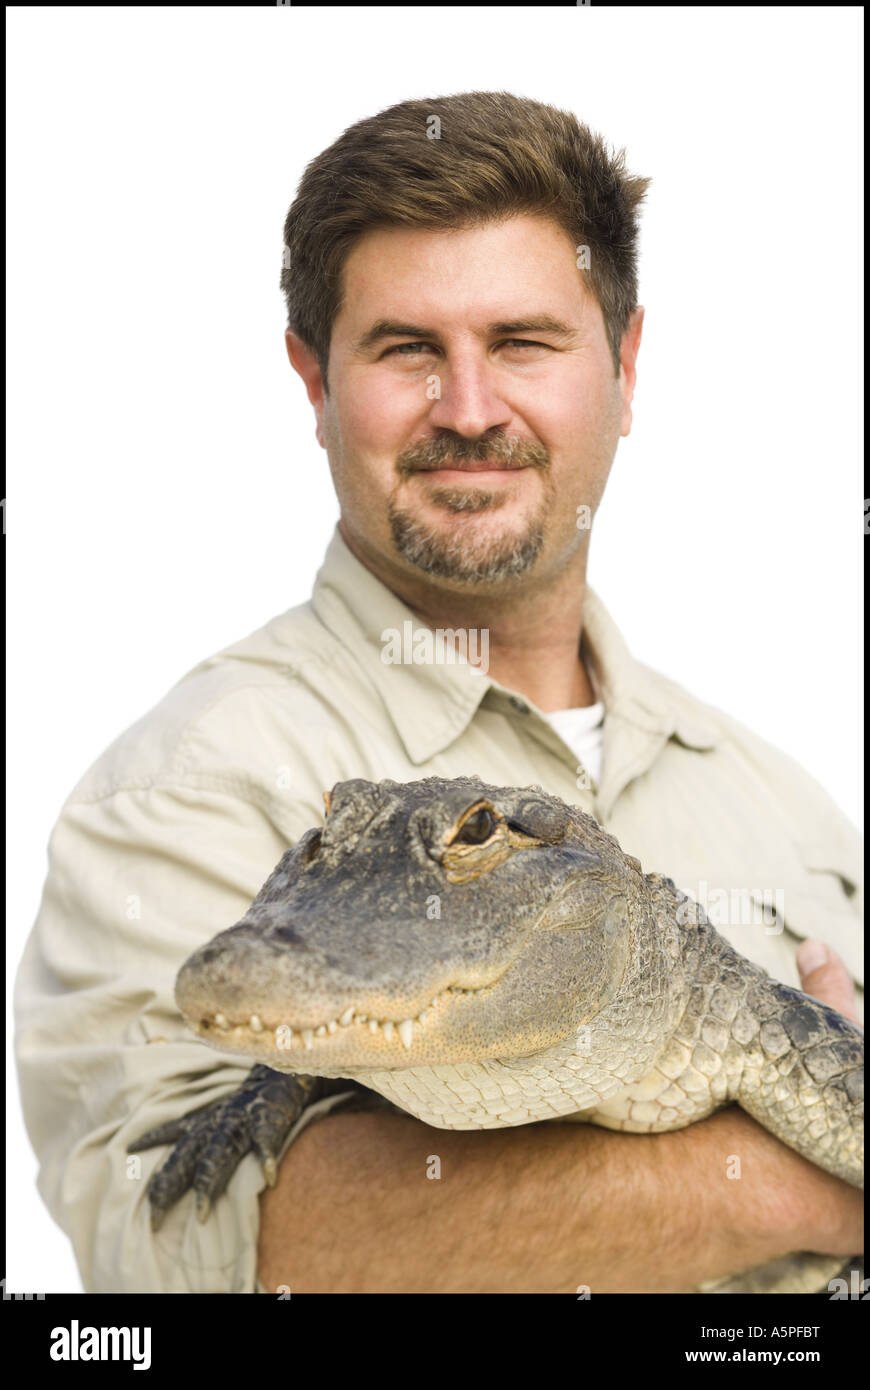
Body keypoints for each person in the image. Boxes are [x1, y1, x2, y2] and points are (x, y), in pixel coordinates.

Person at [14, 91, 862, 1294]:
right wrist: (797, 1184)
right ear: (315, 382)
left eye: (522, 341)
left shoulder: (783, 798)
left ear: (623, 365)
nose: (470, 410)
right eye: (408, 349)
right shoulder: (192, 780)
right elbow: (210, 1254)